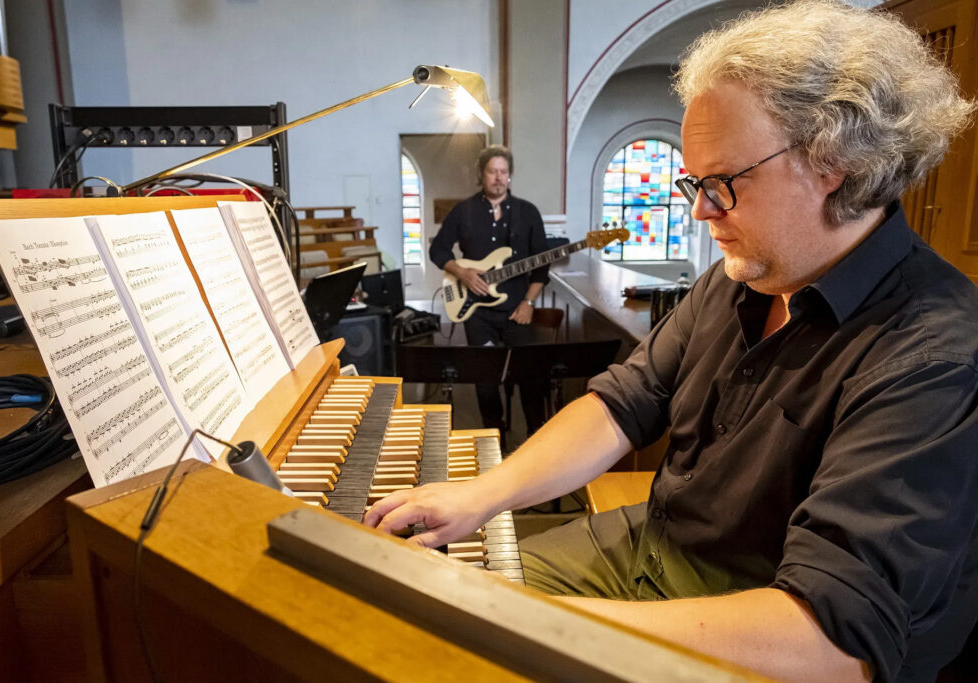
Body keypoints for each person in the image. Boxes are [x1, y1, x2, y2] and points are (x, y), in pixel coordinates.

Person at [367, 1, 978, 680]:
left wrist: (526, 620)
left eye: (722, 182)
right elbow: (622, 404)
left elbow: (831, 643)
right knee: (411, 622)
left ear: (832, 162)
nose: (699, 210)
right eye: (694, 182)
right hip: (647, 547)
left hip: (750, 632)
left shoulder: (934, 352)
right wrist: (480, 495)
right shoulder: (739, 277)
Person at [429, 145, 550, 437]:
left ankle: (537, 440)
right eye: (492, 171)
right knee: (485, 379)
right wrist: (462, 273)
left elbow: (541, 268)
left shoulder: (527, 212)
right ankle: (494, 439)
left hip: (517, 310)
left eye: (503, 172)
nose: (498, 178)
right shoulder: (464, 211)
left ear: (510, 176)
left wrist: (528, 303)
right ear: (481, 174)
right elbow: (438, 250)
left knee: (531, 377)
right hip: (477, 312)